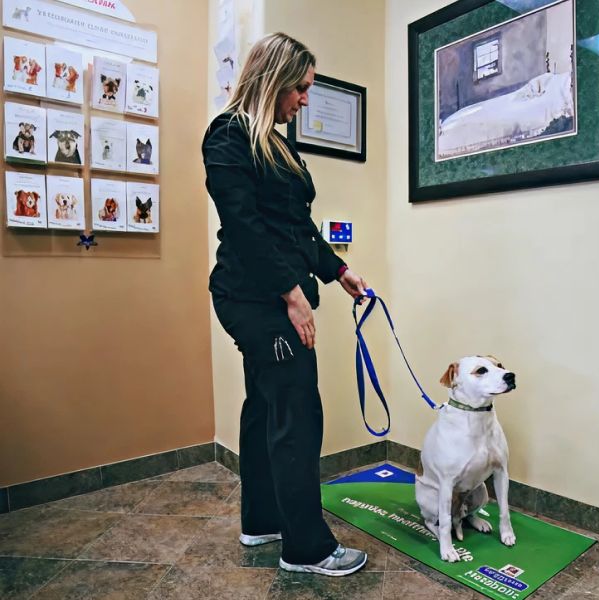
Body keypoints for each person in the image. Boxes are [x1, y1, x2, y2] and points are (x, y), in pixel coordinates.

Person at [202, 32, 368, 577]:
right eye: (299, 88)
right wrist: (294, 297)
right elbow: (246, 230)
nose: (304, 100)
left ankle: (262, 520)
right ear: (272, 80)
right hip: (254, 300)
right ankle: (307, 549)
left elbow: (297, 228)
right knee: (296, 413)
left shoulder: (280, 144)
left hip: (274, 294)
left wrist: (338, 270)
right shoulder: (227, 136)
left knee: (266, 407)